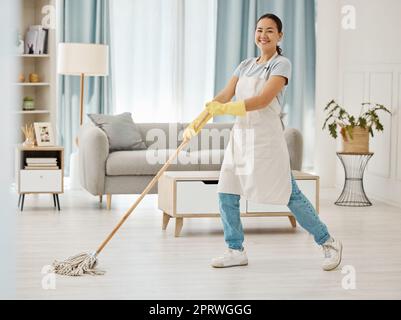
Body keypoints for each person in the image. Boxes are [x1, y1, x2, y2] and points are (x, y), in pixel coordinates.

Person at [184, 13, 342, 271]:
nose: (263, 35)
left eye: (270, 31)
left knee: (290, 195)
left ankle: (328, 242)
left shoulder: (281, 65)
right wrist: (202, 116)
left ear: (280, 35)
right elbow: (225, 94)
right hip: (240, 138)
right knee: (226, 191)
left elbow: (262, 100)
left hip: (266, 140)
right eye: (259, 30)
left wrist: (225, 109)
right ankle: (235, 250)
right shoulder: (245, 64)